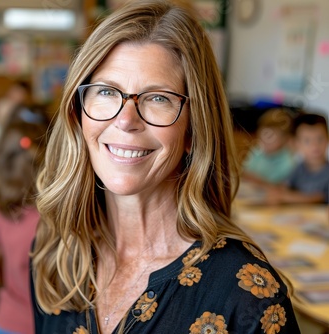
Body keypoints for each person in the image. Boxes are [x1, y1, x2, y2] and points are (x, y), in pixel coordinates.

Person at [30, 1, 301, 333]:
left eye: (158, 98)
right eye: (106, 91)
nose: (126, 120)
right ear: (78, 114)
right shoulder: (57, 253)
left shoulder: (249, 297)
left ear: (193, 129)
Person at [0, 116, 48, 334]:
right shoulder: (54, 218)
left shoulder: (1, 213)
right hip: (44, 322)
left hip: (6, 320)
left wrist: (10, 282)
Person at [266, 113, 329, 205]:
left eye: (320, 139)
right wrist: (276, 192)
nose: (315, 146)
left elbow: (318, 198)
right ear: (296, 143)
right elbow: (285, 186)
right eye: (307, 141)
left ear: (327, 139)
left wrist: (284, 197)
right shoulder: (299, 168)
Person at [242, 108, 296, 186]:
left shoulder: (288, 162)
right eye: (263, 134)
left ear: (285, 139)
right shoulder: (257, 150)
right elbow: (244, 172)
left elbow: (273, 186)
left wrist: (256, 180)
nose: (265, 140)